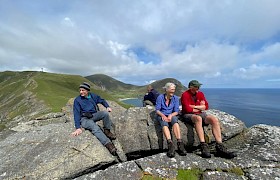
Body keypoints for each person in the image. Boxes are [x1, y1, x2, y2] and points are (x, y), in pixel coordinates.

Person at [181, 80, 236, 159]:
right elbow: (187, 109)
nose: (198, 88)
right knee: (198, 119)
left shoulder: (200, 94)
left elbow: (206, 106)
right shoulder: (185, 95)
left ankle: (219, 146)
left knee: (214, 119)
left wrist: (194, 106)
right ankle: (203, 145)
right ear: (191, 87)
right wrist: (199, 107)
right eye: (196, 86)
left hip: (200, 113)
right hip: (188, 114)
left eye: (198, 86)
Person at [71, 82, 117, 156]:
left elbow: (102, 100)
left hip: (93, 115)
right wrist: (78, 128)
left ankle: (107, 131)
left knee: (105, 114)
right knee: (94, 127)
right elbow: (76, 114)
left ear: (87, 90)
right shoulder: (77, 100)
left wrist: (107, 106)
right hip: (84, 119)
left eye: (83, 90)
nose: (81, 92)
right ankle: (108, 144)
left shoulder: (92, 96)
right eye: (80, 90)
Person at [155, 82, 187, 158]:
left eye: (174, 89)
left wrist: (170, 115)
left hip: (171, 114)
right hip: (162, 114)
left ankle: (180, 143)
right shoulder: (160, 97)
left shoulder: (176, 98)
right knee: (164, 123)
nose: (173, 91)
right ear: (166, 89)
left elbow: (176, 111)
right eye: (172, 89)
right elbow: (157, 110)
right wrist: (163, 115)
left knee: (175, 122)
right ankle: (170, 144)